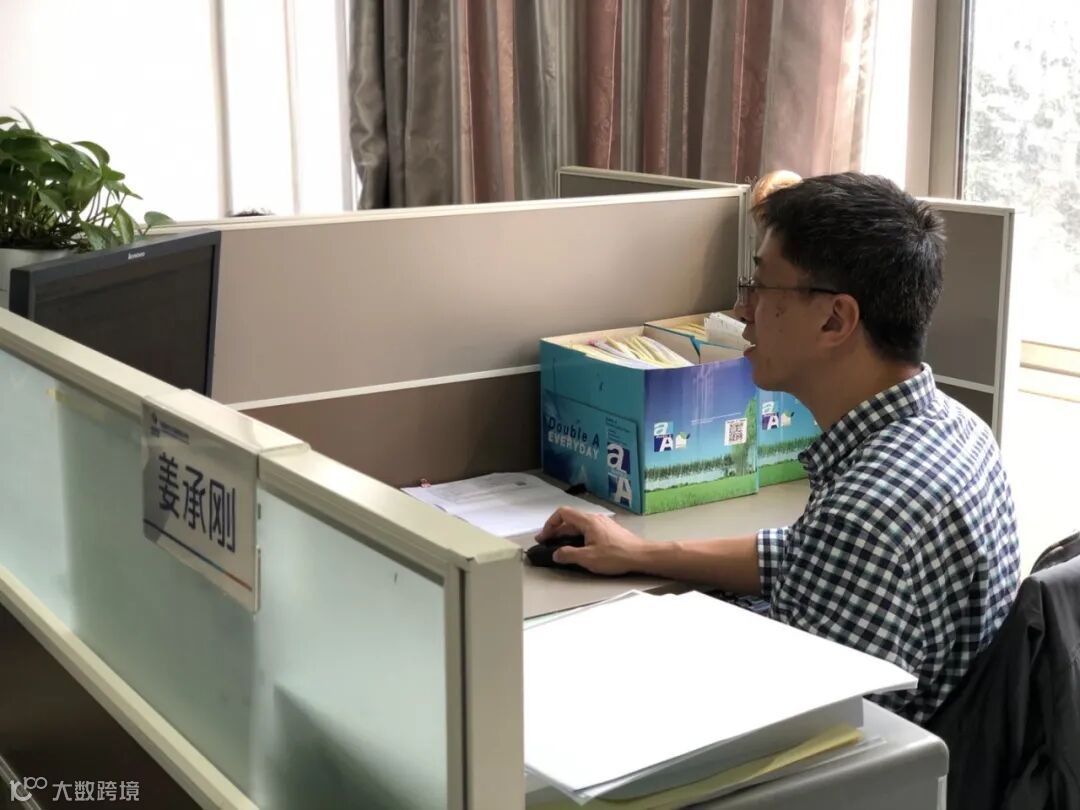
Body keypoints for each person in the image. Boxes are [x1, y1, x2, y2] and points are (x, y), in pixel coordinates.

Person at [536, 172, 1021, 725]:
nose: (742, 312)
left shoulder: (866, 517)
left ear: (835, 319)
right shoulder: (957, 428)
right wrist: (639, 553)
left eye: (762, 289)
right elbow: (803, 557)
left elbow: (810, 737)